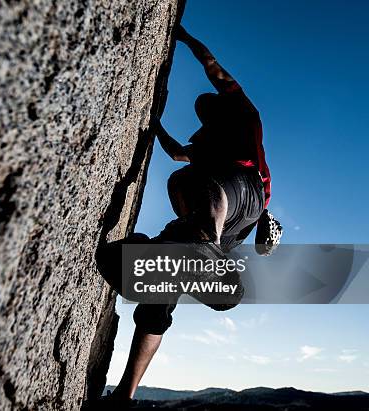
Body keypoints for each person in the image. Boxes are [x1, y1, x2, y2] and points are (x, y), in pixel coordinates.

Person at [96, 24, 282, 403]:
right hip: (238, 218)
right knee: (158, 284)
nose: (203, 125)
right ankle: (125, 395)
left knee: (191, 182)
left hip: (238, 192)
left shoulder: (242, 115)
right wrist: (153, 125)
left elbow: (210, 65)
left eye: (206, 117)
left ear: (214, 113)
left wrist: (180, 35)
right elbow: (178, 149)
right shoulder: (215, 136)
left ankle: (202, 243)